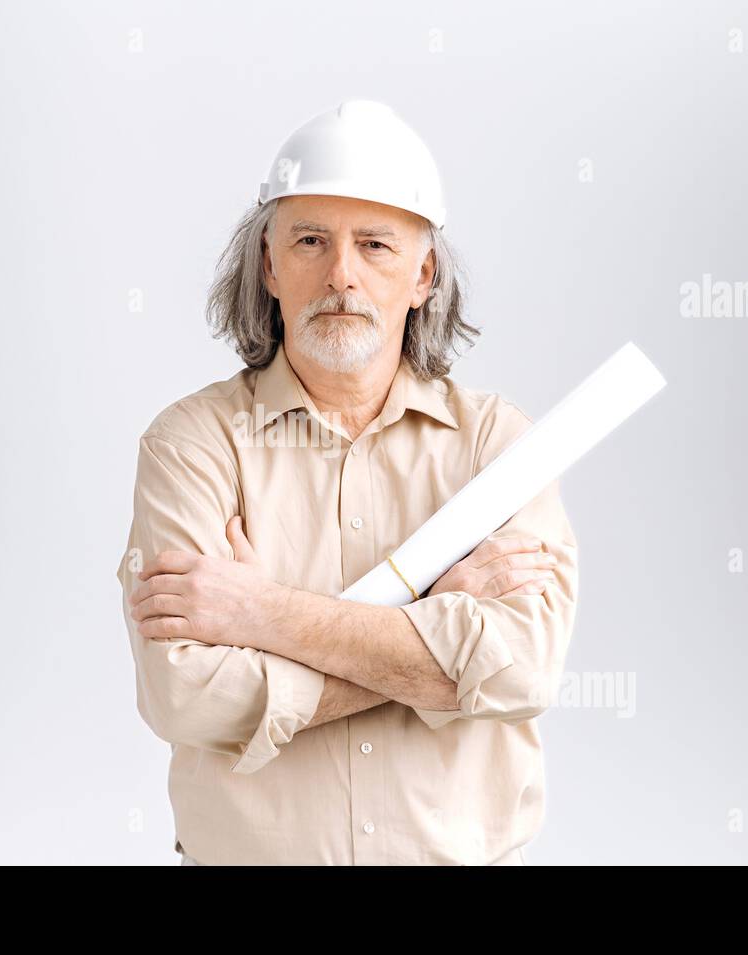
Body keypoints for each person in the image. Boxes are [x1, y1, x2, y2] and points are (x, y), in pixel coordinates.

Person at [117, 101, 578, 865]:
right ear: (269, 265)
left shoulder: (498, 446)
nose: (341, 274)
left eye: (375, 245)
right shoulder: (190, 446)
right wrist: (436, 635)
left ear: (423, 274)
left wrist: (260, 612)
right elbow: (186, 696)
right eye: (310, 241)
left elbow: (522, 670)